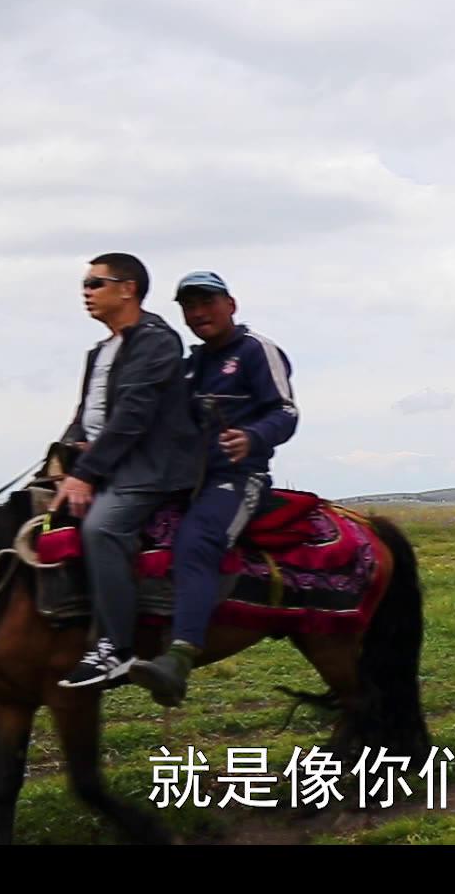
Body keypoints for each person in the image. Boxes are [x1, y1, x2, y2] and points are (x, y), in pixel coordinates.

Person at [126, 272, 300, 706]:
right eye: (189, 306)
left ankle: (180, 655)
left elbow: (286, 411)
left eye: (207, 302)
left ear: (231, 304)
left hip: (238, 478)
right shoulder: (193, 364)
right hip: (183, 481)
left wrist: (252, 437)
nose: (198, 313)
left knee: (197, 541)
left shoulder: (257, 350)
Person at [54, 254, 199, 690]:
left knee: (102, 528)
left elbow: (132, 415)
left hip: (148, 466)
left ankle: (114, 648)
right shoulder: (100, 351)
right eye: (84, 283)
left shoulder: (156, 340)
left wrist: (87, 474)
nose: (86, 291)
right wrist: (62, 459)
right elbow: (86, 416)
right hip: (103, 461)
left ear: (127, 288)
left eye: (95, 283)